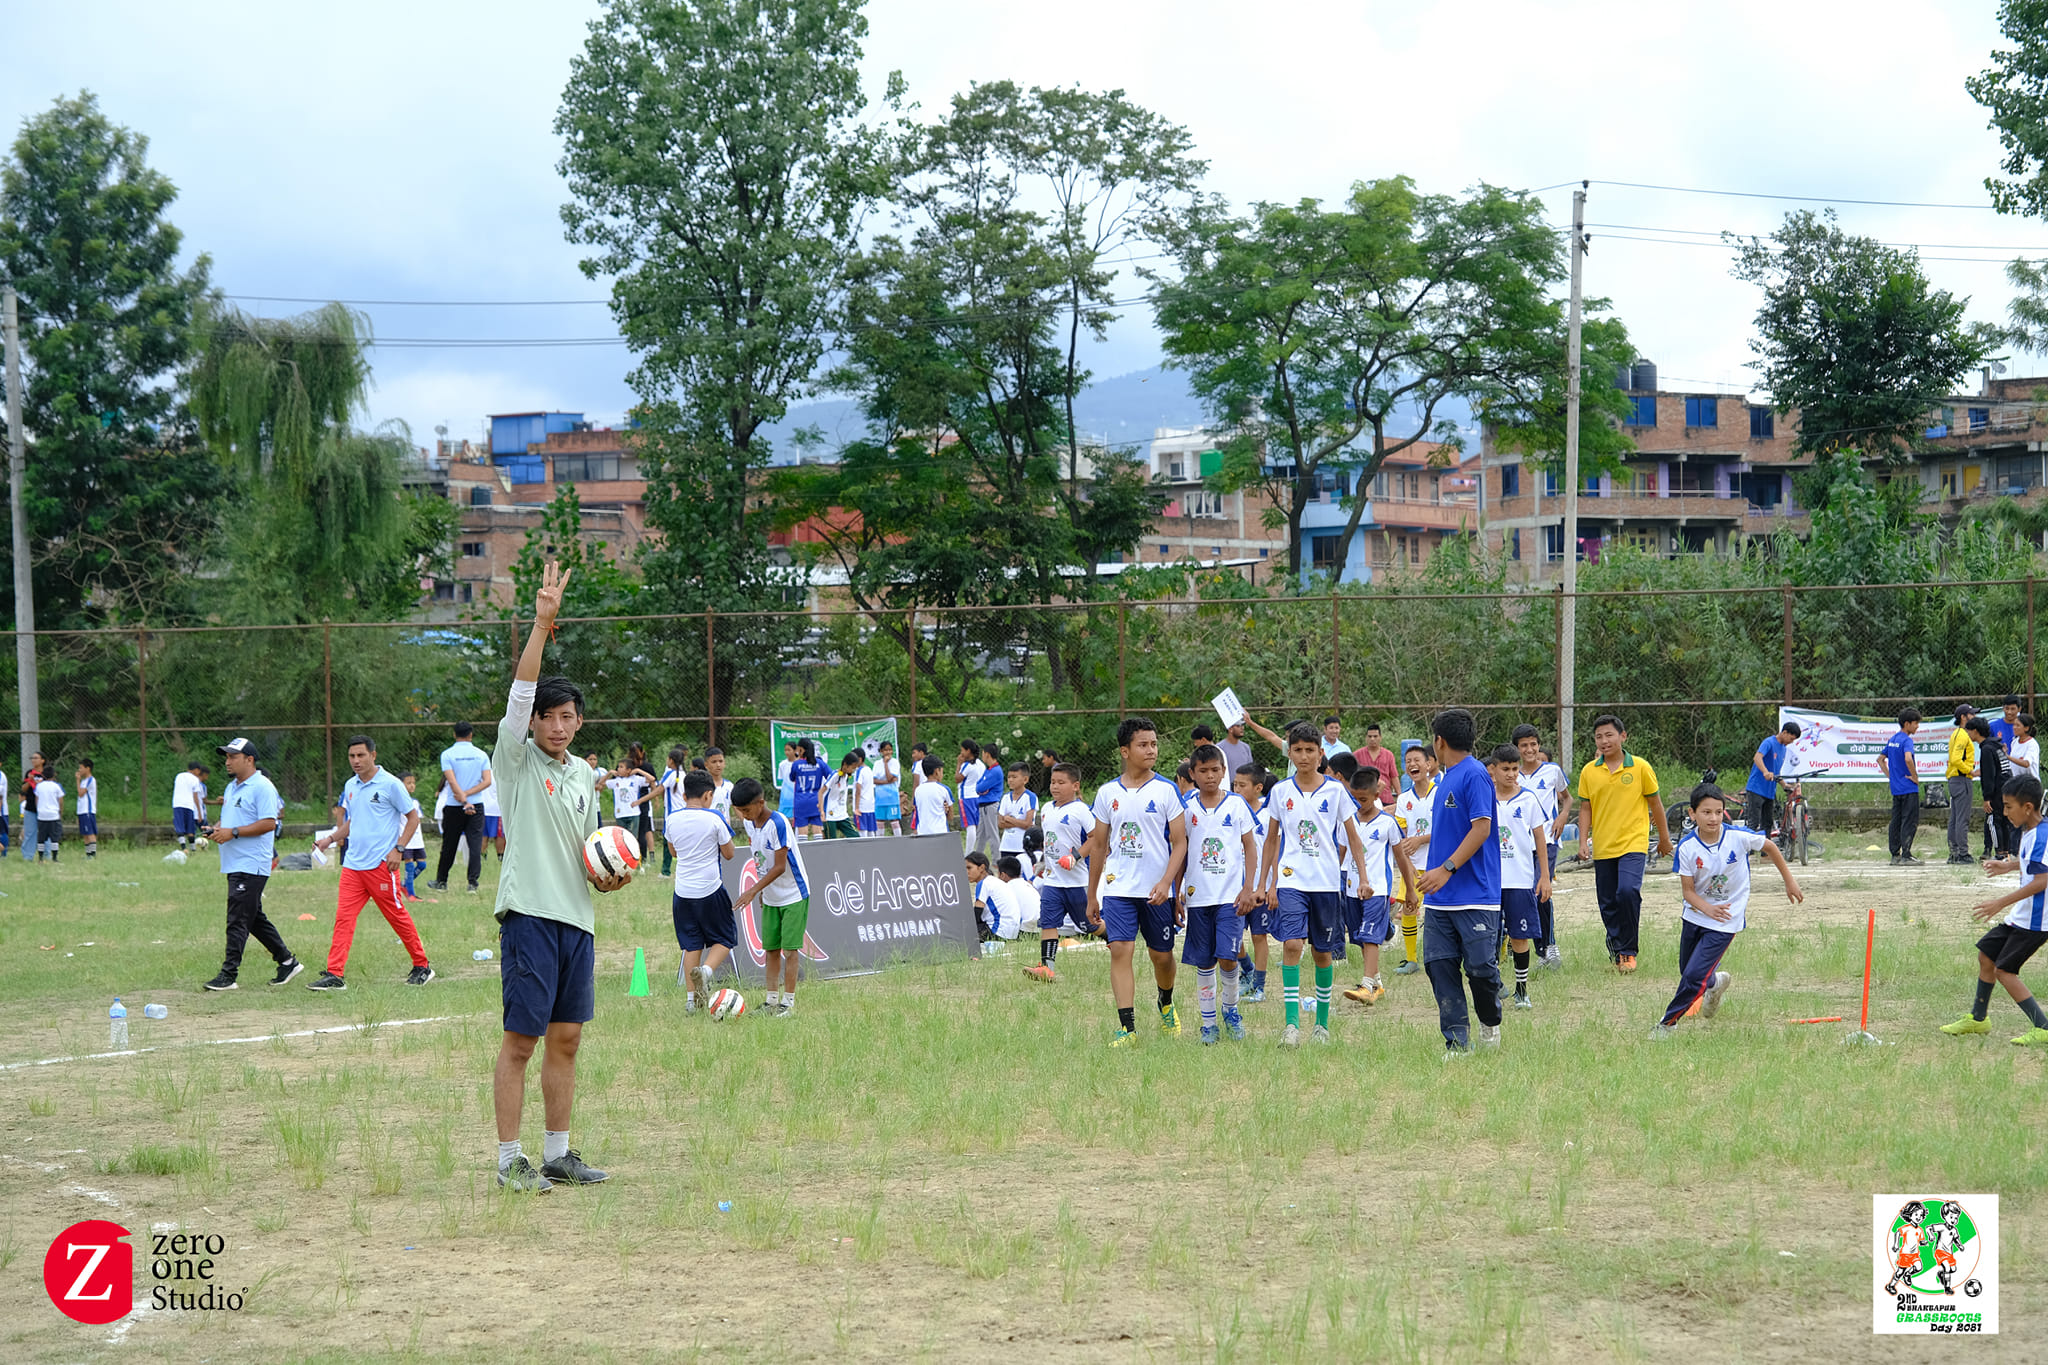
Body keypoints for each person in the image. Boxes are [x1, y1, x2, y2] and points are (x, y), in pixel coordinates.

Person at [492, 562, 620, 1193]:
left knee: (566, 1039)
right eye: (550, 717)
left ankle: (557, 1154)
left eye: (568, 716)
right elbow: (521, 693)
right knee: (522, 1041)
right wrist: (543, 622)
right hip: (530, 915)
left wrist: (607, 874)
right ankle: (507, 1160)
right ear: (534, 723)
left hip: (577, 918)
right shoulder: (514, 758)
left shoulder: (581, 777)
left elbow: (587, 849)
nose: (559, 726)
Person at [1651, 783, 1804, 1039]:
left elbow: (1770, 846)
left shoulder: (1738, 837)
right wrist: (1707, 908)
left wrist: (1789, 880)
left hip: (1725, 920)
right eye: (1706, 812)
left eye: (1719, 812)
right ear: (1692, 814)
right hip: (1696, 915)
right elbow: (1688, 891)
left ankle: (1667, 1024)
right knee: (1689, 972)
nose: (1713, 818)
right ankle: (1716, 983)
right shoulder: (1688, 847)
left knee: (1692, 977)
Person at [1258, 722, 1370, 1047]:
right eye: (1298, 750)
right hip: (1291, 879)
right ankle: (1291, 1026)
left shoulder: (1335, 791)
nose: (1304, 756)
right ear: (1290, 753)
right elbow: (1270, 841)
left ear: (1321, 753)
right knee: (1292, 945)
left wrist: (1362, 878)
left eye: (1310, 750)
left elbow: (1352, 838)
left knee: (1323, 954)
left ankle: (1321, 1025)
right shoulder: (1280, 791)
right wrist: (1267, 883)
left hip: (1325, 883)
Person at [1085, 716, 1189, 1047]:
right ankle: (1127, 1029)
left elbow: (1180, 842)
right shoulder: (1106, 793)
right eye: (1143, 745)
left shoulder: (1166, 790)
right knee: (1120, 949)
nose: (1151, 750)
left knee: (1162, 957)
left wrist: (1167, 883)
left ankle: (1166, 1001)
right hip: (1119, 889)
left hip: (1157, 892)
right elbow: (1099, 847)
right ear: (1125, 751)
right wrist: (1092, 896)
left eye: (1154, 744)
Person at [1410, 709, 1504, 1054]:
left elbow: (1482, 828)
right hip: (1439, 899)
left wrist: (1446, 868)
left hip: (1475, 894)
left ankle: (1490, 1023)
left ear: (1439, 741)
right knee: (1440, 967)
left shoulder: (1476, 774)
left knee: (1480, 969)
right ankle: (1456, 1042)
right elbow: (1454, 828)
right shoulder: (1445, 779)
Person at [310, 736, 433, 991]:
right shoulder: (351, 786)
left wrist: (398, 849)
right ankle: (335, 974)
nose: (356, 761)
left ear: (373, 756)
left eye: (361, 755)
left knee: (397, 915)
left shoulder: (391, 784)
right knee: (343, 918)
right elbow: (354, 821)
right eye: (352, 756)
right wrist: (330, 839)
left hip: (381, 866)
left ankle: (422, 966)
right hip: (353, 867)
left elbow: (412, 818)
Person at [1942, 771, 2048, 1045]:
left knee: (2004, 970)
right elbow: (2032, 863)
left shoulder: (2041, 835)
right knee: (1987, 955)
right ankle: (1978, 1019)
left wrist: (1999, 902)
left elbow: (2042, 881)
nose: (2005, 812)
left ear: (2028, 807)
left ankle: (2043, 1028)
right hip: (2022, 915)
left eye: (2009, 806)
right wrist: (2008, 865)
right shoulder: (2030, 831)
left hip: (2037, 919)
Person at [201, 738, 303, 991]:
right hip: (234, 862)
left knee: (237, 919)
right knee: (253, 917)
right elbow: (232, 820)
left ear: (249, 760)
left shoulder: (262, 787)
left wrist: (232, 832)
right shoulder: (232, 788)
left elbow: (269, 823)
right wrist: (216, 830)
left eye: (233, 757)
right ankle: (287, 961)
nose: (227, 761)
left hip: (252, 863)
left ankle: (228, 974)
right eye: (226, 757)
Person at [1576, 714, 1671, 972]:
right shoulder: (1589, 771)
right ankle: (1617, 947)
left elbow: (1656, 804)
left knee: (1627, 891)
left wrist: (1664, 838)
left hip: (1633, 844)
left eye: (1609, 735)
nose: (1604, 740)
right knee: (1607, 901)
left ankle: (1628, 951)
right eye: (1599, 737)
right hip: (1604, 846)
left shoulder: (1640, 767)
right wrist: (1583, 841)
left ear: (1623, 736)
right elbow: (1585, 808)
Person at [1178, 742, 1259, 1044]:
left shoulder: (1237, 805)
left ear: (1223, 772)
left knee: (1228, 958)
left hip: (1231, 898)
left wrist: (1248, 887)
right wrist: (1177, 892)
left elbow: (1250, 847)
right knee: (1204, 962)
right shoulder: (1186, 808)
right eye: (1203, 771)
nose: (1210, 776)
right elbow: (1180, 852)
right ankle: (1208, 1024)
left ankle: (1231, 1011)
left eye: (1215, 770)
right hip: (1198, 897)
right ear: (1193, 774)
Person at [730, 777, 811, 1016]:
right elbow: (760, 861)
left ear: (761, 802)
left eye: (746, 810)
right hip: (771, 896)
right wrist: (764, 892)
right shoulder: (750, 824)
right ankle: (771, 1001)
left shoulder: (778, 823)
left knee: (790, 950)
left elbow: (779, 867)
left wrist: (753, 890)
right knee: (772, 949)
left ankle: (788, 1003)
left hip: (793, 893)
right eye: (740, 811)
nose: (743, 815)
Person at [1341, 765, 1414, 1007]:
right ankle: (1377, 983)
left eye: (1363, 799)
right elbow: (1339, 855)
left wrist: (1410, 889)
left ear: (1376, 796)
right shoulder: (1347, 821)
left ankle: (1365, 985)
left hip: (1377, 890)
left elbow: (1401, 858)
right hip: (1351, 889)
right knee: (1361, 938)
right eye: (1354, 798)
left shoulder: (1387, 823)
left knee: (1371, 937)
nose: (1358, 803)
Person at [667, 769, 737, 1012]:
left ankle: (690, 1001)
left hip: (682, 892)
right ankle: (706, 972)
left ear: (685, 794)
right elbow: (729, 854)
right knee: (725, 938)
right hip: (710, 889)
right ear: (708, 795)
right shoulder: (714, 818)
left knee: (691, 945)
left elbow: (673, 852)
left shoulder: (671, 819)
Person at [1489, 745, 1551, 1011]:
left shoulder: (1527, 799)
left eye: (1515, 769)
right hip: (1489, 880)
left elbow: (1540, 838)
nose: (1512, 774)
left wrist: (1545, 876)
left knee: (1519, 936)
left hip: (1520, 880)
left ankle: (1522, 991)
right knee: (1487, 936)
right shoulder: (1485, 798)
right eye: (1506, 769)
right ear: (1493, 770)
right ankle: (1492, 986)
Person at [1025, 762, 1096, 983]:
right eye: (1053, 782)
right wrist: (1045, 867)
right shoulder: (1046, 809)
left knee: (1090, 926)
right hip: (1053, 881)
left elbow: (1096, 839)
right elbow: (1050, 842)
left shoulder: (1081, 811)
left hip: (1077, 882)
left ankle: (1118, 945)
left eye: (1061, 782)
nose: (1055, 787)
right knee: (1048, 922)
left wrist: (1075, 857)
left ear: (1075, 785)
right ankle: (1047, 968)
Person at [1512, 725, 1571, 968]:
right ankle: (1539, 950)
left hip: (1547, 841)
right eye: (1524, 745)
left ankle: (1550, 947)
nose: (1530, 749)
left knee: (1541, 892)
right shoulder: (1512, 774)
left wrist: (1562, 816)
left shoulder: (1552, 771)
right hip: (1519, 844)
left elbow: (1567, 798)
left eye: (1533, 744)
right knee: (1525, 895)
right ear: (1517, 748)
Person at [1389, 746, 1437, 975]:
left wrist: (1421, 840)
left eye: (1417, 760)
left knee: (1442, 913)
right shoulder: (1404, 799)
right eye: (1408, 761)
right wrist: (1407, 863)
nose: (1412, 764)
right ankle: (1411, 959)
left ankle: (1441, 957)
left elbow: (1450, 831)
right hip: (1413, 866)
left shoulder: (1441, 793)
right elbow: (1402, 836)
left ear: (1429, 765)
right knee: (1409, 909)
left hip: (1438, 865)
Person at [431, 722, 493, 894]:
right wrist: (469, 796)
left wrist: (462, 797)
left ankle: (441, 881)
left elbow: (451, 780)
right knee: (475, 844)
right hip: (476, 805)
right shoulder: (481, 755)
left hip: (454, 805)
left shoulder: (448, 754)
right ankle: (472, 883)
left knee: (449, 844)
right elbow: (487, 781)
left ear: (454, 734)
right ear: (471, 735)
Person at [1232, 763, 1275, 1001]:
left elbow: (1275, 850)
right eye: (1235, 784)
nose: (1236, 789)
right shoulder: (1230, 811)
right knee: (1233, 936)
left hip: (1260, 888)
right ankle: (1247, 969)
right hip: (1233, 888)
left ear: (1258, 787)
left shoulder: (1268, 816)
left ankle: (1259, 985)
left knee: (1259, 936)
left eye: (1242, 785)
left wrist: (1270, 886)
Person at [1878, 708, 1923, 866]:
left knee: (1896, 820)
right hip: (1909, 788)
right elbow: (1908, 759)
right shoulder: (1906, 740)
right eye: (1916, 723)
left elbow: (1880, 759)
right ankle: (1907, 854)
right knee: (1909, 821)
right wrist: (1915, 776)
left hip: (1896, 788)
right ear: (1907, 724)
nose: (1917, 726)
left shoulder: (1892, 740)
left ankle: (1895, 855)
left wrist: (1891, 776)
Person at [1742, 721, 1800, 842]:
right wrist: (1765, 772)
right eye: (1791, 738)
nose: (1791, 742)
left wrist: (1784, 784)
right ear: (1784, 732)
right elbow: (1757, 757)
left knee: (1767, 823)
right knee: (1754, 822)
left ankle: (1765, 853)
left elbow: (1776, 771)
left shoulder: (1783, 749)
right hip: (1757, 788)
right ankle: (1747, 851)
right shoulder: (1768, 742)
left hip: (1769, 791)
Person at [1969, 716, 2016, 858]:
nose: (1968, 734)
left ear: (1976, 731)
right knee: (2004, 820)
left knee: (1993, 821)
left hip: (1997, 790)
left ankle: (1999, 852)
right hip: (2007, 787)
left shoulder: (1987, 749)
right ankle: (2006, 851)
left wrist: (1987, 797)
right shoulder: (1996, 746)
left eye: (1969, 731)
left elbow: (1989, 775)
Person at [1948, 705, 1980, 865]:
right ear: (1963, 717)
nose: (1974, 717)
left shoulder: (1956, 733)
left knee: (1955, 818)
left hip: (1954, 779)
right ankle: (1962, 853)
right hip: (1961, 779)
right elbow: (1955, 759)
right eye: (1971, 714)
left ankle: (1954, 853)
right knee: (1962, 819)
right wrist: (1970, 771)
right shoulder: (1962, 735)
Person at [968, 851, 1020, 944]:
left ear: (981, 868)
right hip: (1012, 932)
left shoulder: (983, 883)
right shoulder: (995, 881)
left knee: (963, 931)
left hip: (998, 932)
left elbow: (977, 914)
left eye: (969, 868)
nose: (966, 872)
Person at [786, 739, 830, 839]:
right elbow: (831, 777)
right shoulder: (820, 763)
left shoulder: (796, 764)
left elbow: (792, 778)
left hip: (800, 802)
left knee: (802, 834)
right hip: (816, 801)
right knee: (818, 832)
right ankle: (818, 853)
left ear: (802, 749)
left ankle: (803, 853)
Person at [657, 745, 689, 876]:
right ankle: (684, 868)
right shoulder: (684, 774)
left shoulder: (670, 773)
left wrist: (640, 801)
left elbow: (660, 789)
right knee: (684, 842)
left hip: (671, 815)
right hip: (684, 812)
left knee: (667, 842)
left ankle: (665, 871)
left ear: (671, 760)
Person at [996, 762, 1038, 860]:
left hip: (1023, 846)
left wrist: (1009, 819)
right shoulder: (1005, 798)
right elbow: (1001, 823)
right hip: (1006, 845)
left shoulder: (1030, 797)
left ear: (1025, 779)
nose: (1010, 780)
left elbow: (1028, 824)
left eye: (1014, 777)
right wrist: (1018, 822)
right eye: (1009, 777)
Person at [398, 772, 428, 898]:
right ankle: (411, 895)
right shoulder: (397, 802)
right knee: (409, 865)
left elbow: (417, 819)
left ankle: (403, 884)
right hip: (406, 838)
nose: (412, 786)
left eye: (413, 783)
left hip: (417, 839)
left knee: (422, 864)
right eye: (408, 783)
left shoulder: (415, 802)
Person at [171, 759, 207, 858]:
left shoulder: (179, 776)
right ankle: (193, 849)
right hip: (189, 805)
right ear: (196, 770)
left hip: (178, 804)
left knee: (180, 826)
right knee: (190, 828)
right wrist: (199, 813)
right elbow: (196, 797)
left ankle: (184, 848)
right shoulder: (195, 780)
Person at [821, 751, 861, 839]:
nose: (853, 770)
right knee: (831, 842)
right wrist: (821, 811)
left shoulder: (846, 776)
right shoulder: (834, 776)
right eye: (852, 768)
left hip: (842, 814)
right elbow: (821, 792)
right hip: (830, 815)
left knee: (856, 836)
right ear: (845, 765)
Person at [913, 756, 956, 836]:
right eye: (942, 772)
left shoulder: (918, 790)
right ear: (937, 771)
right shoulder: (944, 789)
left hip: (922, 833)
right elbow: (950, 816)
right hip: (940, 832)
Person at [1352, 722, 1399, 793]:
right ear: (1366, 738)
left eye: (1375, 736)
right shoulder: (1357, 755)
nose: (1372, 739)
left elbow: (1394, 776)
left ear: (1380, 737)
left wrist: (1399, 794)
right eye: (1370, 736)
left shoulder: (1389, 755)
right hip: (1365, 796)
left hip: (1385, 796)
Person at [957, 740, 987, 853]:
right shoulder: (981, 764)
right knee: (977, 825)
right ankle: (978, 850)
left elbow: (957, 778)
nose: (961, 753)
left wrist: (958, 764)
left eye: (963, 750)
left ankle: (968, 852)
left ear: (968, 751)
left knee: (970, 826)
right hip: (977, 796)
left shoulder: (967, 765)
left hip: (966, 797)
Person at [974, 745, 1005, 853]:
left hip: (990, 805)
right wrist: (981, 789)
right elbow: (977, 786)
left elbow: (980, 787)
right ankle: (977, 857)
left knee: (992, 834)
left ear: (987, 754)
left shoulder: (995, 771)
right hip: (983, 805)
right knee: (980, 835)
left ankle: (996, 860)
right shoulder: (988, 770)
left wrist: (982, 789)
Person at [32, 766, 63, 862]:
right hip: (53, 815)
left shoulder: (39, 786)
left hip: (42, 815)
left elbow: (36, 799)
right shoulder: (56, 786)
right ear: (53, 775)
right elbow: (60, 800)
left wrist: (39, 810)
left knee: (41, 838)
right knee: (54, 838)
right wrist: (60, 812)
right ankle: (54, 857)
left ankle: (40, 858)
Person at [872, 742, 903, 836]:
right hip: (880, 797)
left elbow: (890, 777)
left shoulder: (894, 762)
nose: (888, 752)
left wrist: (886, 764)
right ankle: (879, 841)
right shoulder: (877, 764)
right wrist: (887, 782)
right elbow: (874, 780)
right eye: (885, 750)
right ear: (881, 751)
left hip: (892, 797)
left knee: (894, 820)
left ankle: (899, 841)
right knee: (880, 820)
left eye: (890, 749)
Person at [20, 752, 44, 862]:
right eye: (32, 758)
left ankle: (47, 854)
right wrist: (30, 781)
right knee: (30, 832)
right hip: (30, 806)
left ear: (42, 760)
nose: (33, 760)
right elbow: (23, 789)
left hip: (44, 807)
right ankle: (28, 855)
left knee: (45, 831)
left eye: (36, 758)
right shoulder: (29, 773)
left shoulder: (46, 773)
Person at [74, 759, 99, 859]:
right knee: (85, 833)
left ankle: (93, 854)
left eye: (81, 768)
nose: (79, 770)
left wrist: (77, 780)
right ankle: (88, 854)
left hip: (87, 810)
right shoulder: (84, 781)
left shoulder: (90, 780)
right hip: (81, 810)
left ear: (87, 768)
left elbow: (81, 793)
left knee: (90, 832)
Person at [854, 746, 877, 836]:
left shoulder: (859, 771)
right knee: (870, 830)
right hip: (870, 805)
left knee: (862, 829)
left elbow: (858, 789)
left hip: (861, 805)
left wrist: (856, 807)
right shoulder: (869, 770)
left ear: (859, 759)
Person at [2012, 713, 2040, 780]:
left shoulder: (2032, 744)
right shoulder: (2014, 742)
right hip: (2016, 782)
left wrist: (2008, 757)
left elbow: (2026, 763)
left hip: (2030, 783)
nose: (2014, 727)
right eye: (2014, 725)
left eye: (2018, 725)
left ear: (2026, 728)